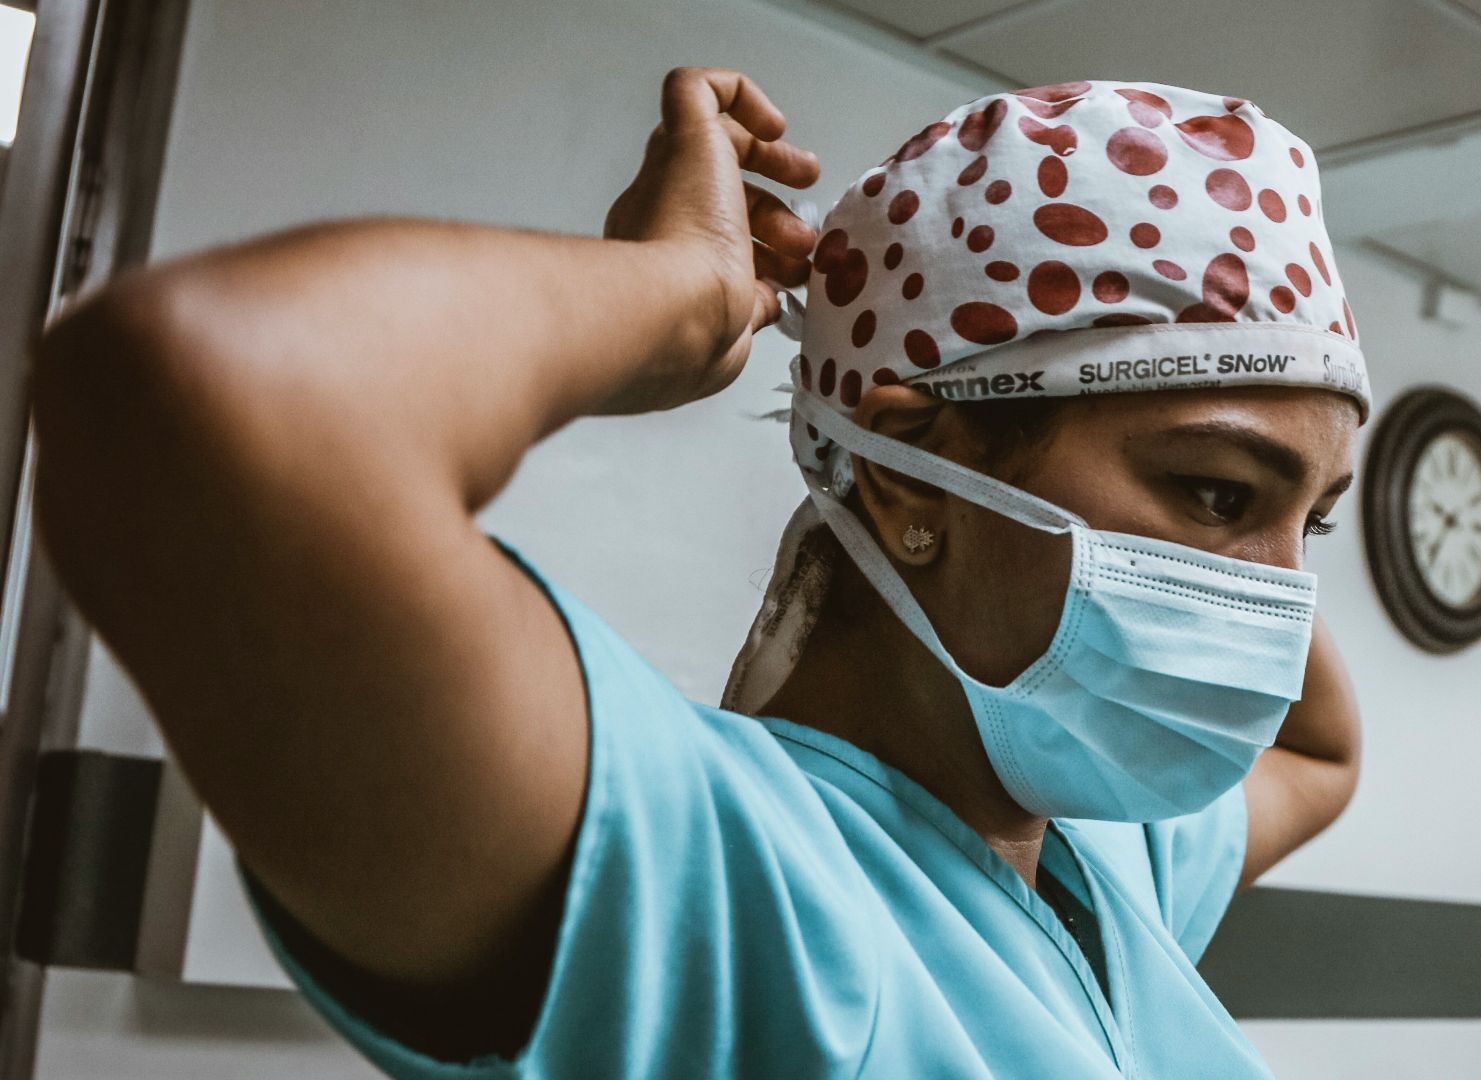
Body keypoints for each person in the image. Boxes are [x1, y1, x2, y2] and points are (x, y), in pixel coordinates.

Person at [29, 68, 1366, 1078]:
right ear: (907, 481)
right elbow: (206, 395)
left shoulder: (1099, 867)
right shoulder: (729, 886)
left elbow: (1319, 751)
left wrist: (1256, 450)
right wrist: (676, 292)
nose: (1275, 590)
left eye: (1308, 527)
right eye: (1217, 493)